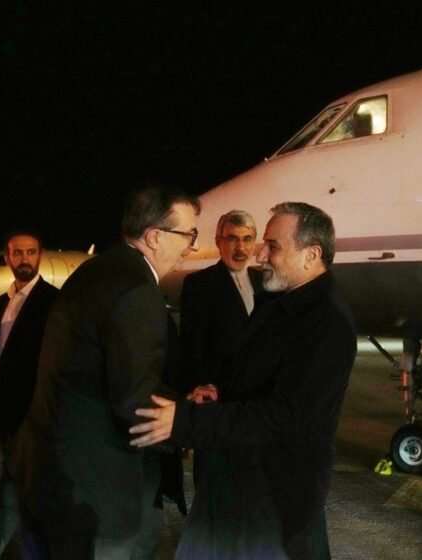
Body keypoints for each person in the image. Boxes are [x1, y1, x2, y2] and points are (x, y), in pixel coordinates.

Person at [130, 202, 357, 559]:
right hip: (235, 483)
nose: (260, 255)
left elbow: (283, 415)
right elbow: (257, 376)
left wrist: (186, 422)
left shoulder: (328, 325)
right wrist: (220, 391)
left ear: (311, 255)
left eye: (272, 246)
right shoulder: (278, 303)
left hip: (271, 503)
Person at [9, 185, 200, 559]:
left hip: (48, 472)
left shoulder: (98, 269)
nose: (191, 246)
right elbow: (134, 403)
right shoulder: (136, 289)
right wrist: (192, 422)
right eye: (189, 234)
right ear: (155, 237)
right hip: (89, 492)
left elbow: (100, 369)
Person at [0, 232, 58, 560]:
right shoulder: (3, 301)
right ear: (7, 258)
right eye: (18, 253)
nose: (25, 259)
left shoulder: (51, 301)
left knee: (26, 496)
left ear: (40, 256)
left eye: (31, 252)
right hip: (7, 417)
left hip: (32, 418)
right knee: (14, 492)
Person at [180, 209, 263, 397]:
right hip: (219, 392)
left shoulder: (264, 281)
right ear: (218, 242)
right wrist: (196, 388)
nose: (241, 248)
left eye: (247, 239)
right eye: (232, 239)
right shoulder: (198, 284)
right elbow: (191, 347)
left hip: (259, 392)